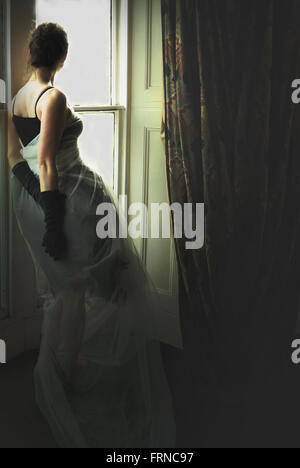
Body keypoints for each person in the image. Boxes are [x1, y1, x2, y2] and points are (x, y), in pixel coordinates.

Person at [7, 22, 175, 448]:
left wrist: (36, 205)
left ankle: (64, 368)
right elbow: (46, 161)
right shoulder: (54, 96)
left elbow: (14, 158)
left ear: (31, 54)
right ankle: (69, 371)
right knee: (80, 288)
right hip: (65, 201)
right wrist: (51, 219)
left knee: (65, 290)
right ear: (61, 58)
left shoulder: (16, 98)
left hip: (32, 199)